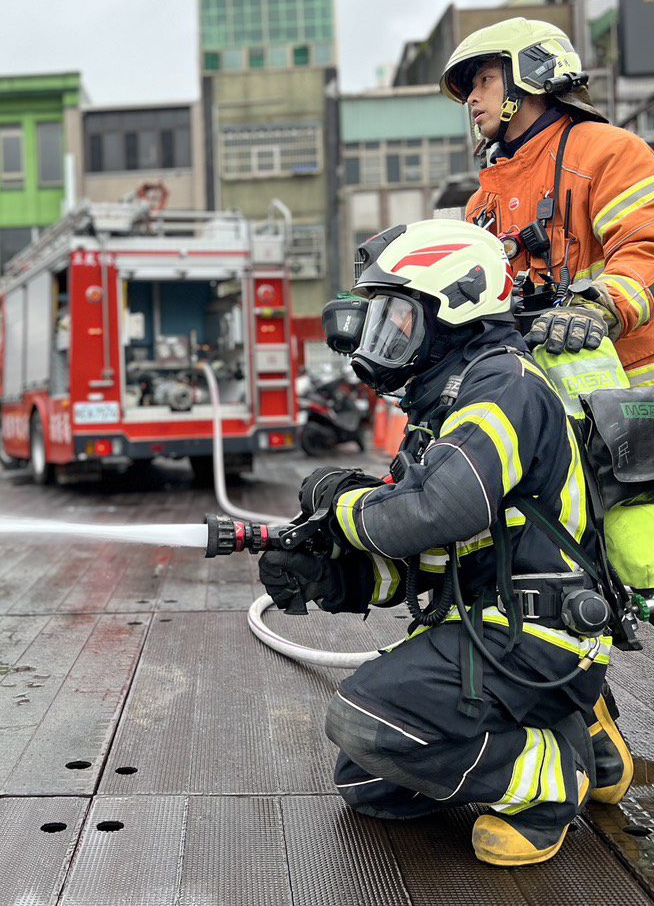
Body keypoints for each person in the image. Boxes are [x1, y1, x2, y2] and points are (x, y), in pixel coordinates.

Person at [259, 220, 632, 867]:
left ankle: (551, 781)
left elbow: (439, 509)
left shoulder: (504, 387)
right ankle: (568, 730)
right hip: (487, 623)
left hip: (539, 634)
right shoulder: (445, 403)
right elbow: (432, 556)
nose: (386, 338)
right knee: (368, 780)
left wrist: (341, 505)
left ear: (453, 304)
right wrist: (335, 578)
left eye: (397, 317)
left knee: (364, 719)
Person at [439, 17, 654, 761]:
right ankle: (586, 705)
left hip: (638, 394)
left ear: (529, 77)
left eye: (482, 82)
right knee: (551, 555)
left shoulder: (608, 153)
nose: (473, 101)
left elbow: (651, 248)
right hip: (544, 401)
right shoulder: (483, 197)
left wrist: (596, 305)